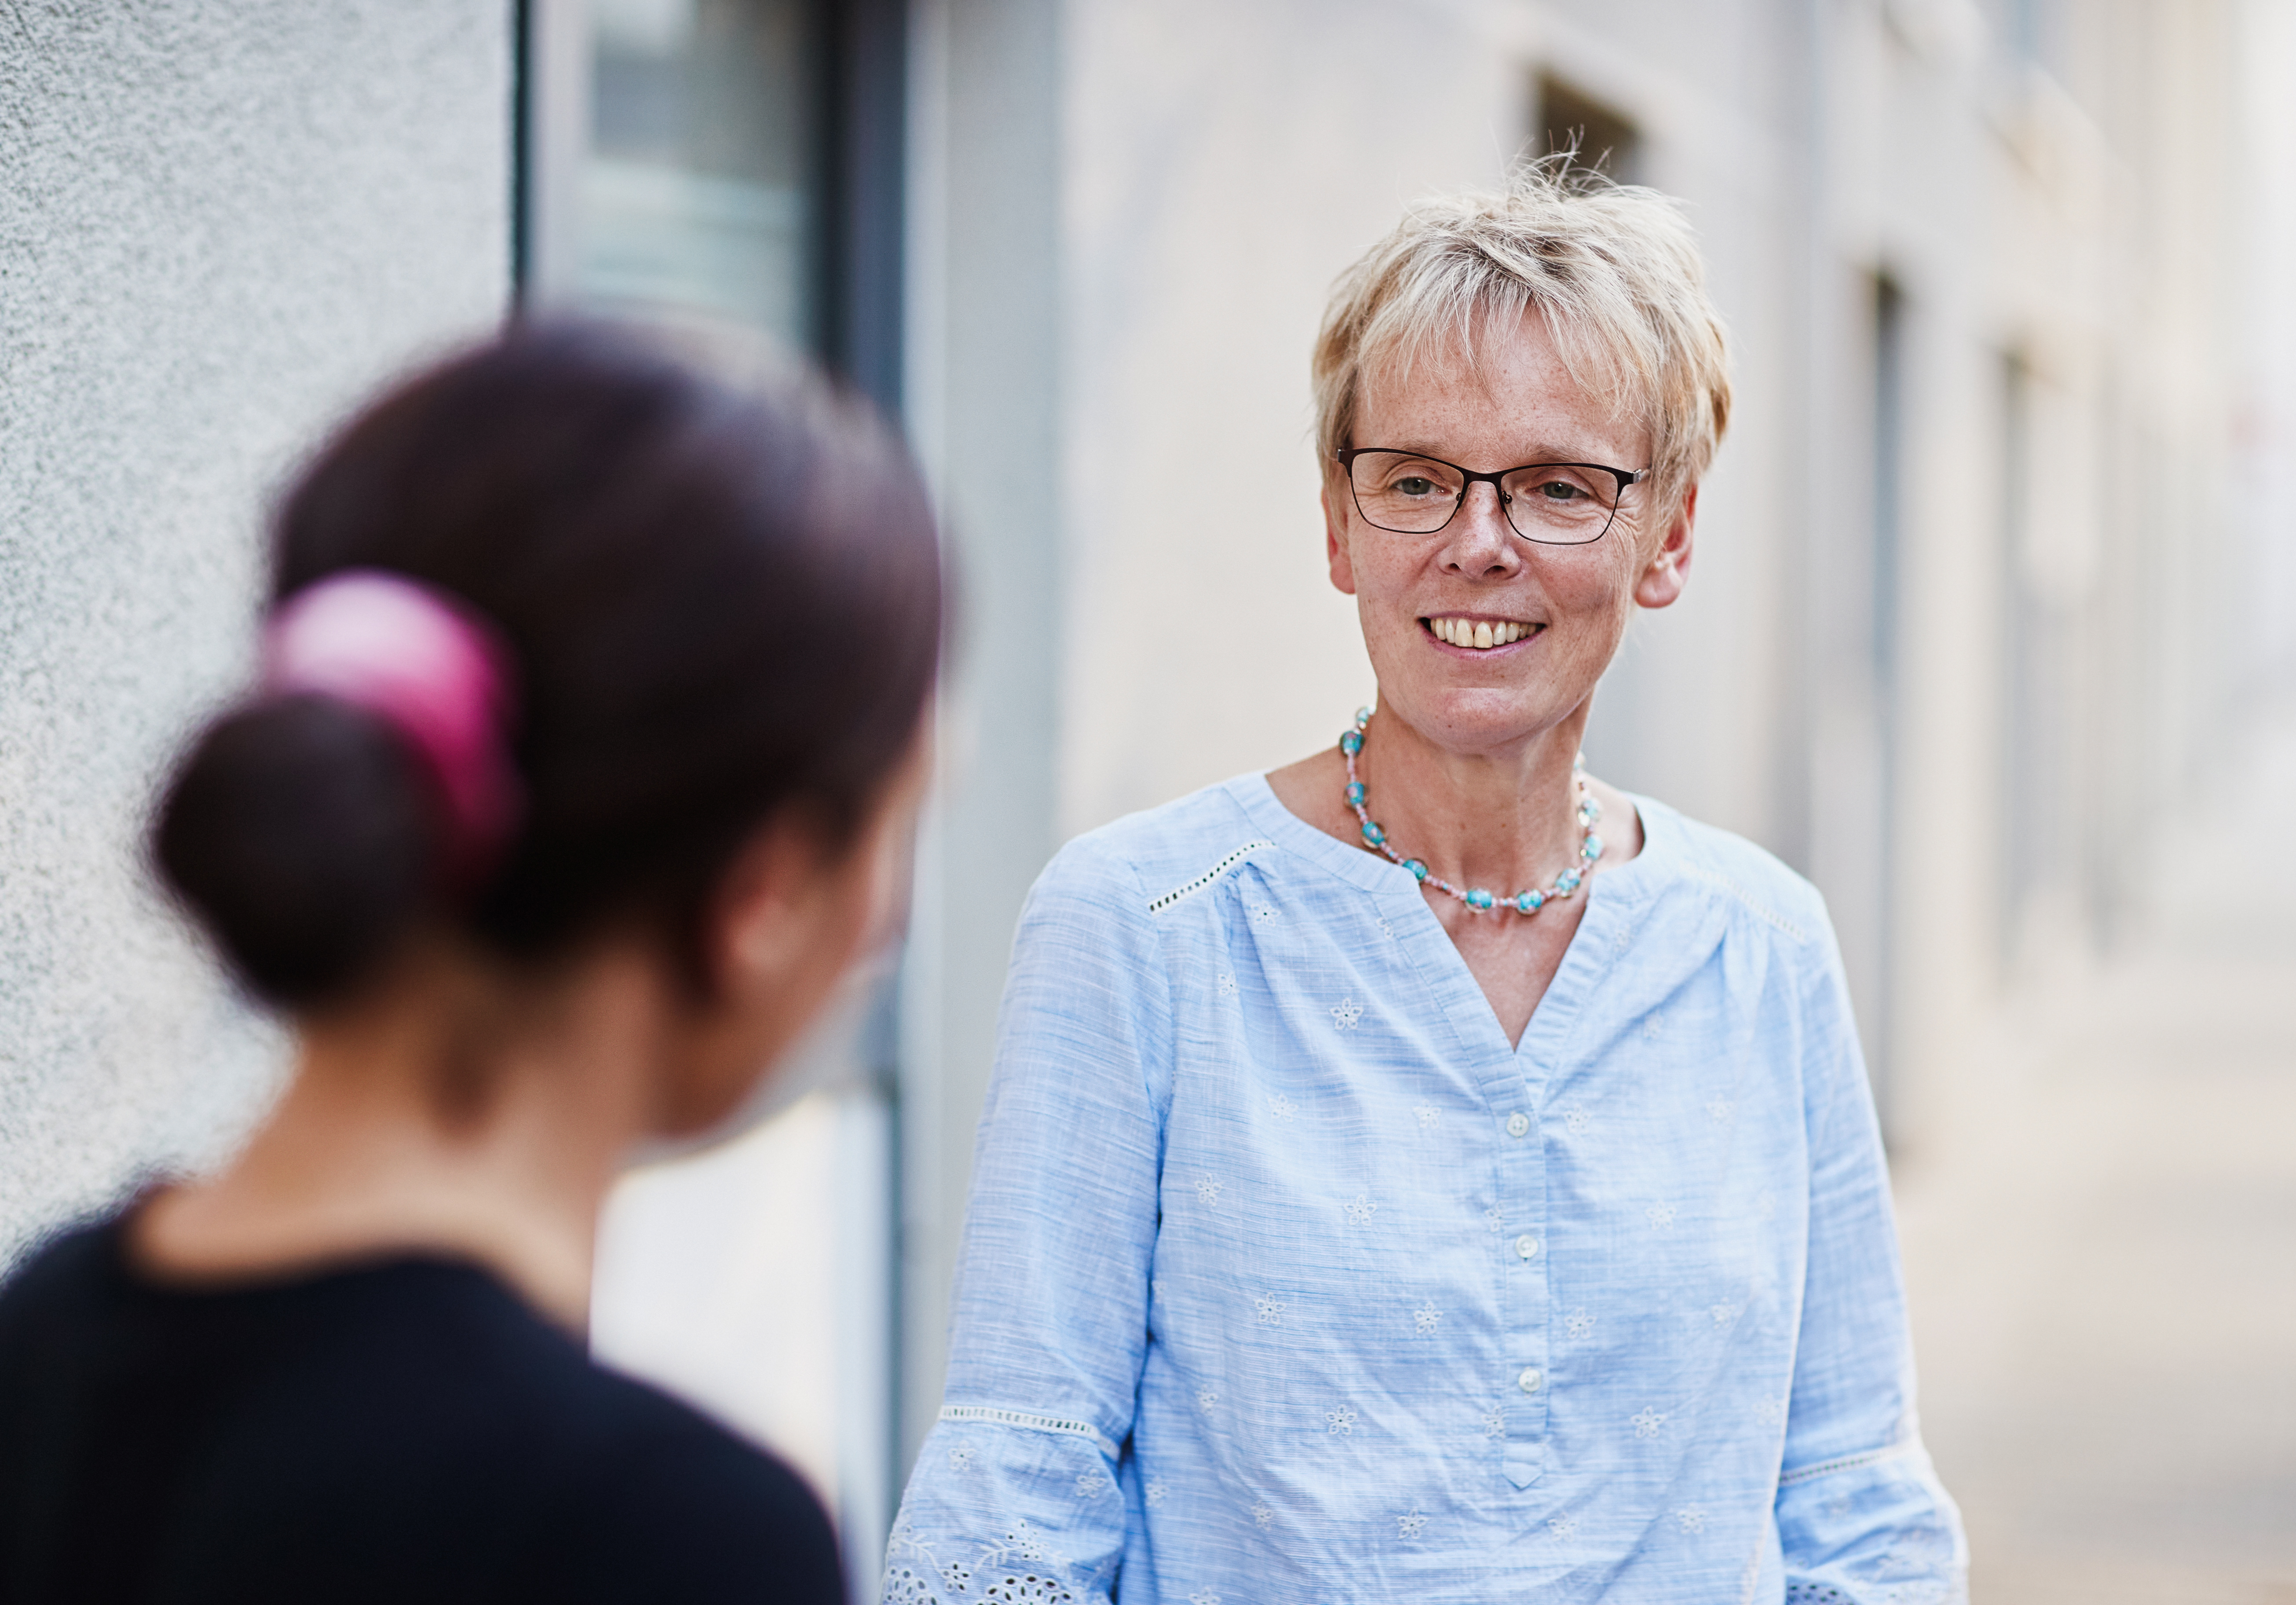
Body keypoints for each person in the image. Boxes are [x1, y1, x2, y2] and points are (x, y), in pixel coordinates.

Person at [885, 170, 1967, 1603]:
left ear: (1672, 537)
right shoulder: (1142, 927)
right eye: (1414, 480)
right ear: (1340, 524)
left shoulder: (1765, 947)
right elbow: (1016, 1492)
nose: (1477, 541)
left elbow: (1854, 1494)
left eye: (1560, 487)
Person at [0, 323, 942, 1603]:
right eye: (905, 823)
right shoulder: (662, 1533)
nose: (886, 923)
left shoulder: (36, 1343)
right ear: (766, 899)